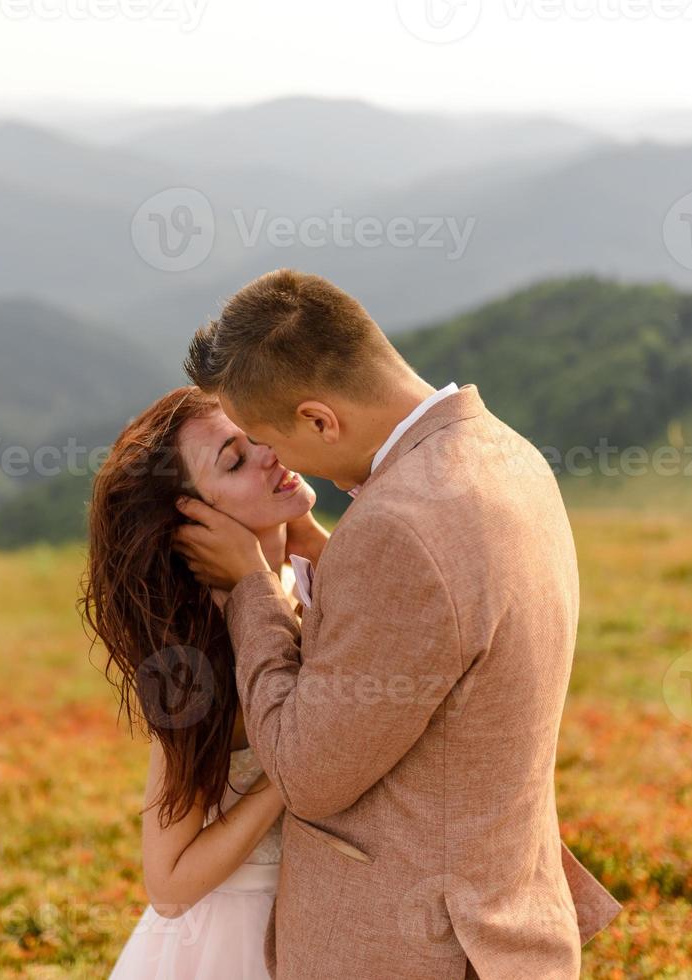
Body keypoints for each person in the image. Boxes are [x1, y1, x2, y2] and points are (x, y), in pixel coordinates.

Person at [173, 269, 621, 978]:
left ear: (320, 419)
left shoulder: (397, 531)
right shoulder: (505, 451)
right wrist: (336, 557)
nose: (280, 464)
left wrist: (251, 590)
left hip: (412, 949)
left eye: (274, 441)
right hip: (503, 919)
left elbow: (303, 774)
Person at [82, 386, 325, 978]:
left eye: (256, 435)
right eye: (234, 461)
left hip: (326, 916)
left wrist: (309, 534)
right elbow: (168, 884)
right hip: (234, 940)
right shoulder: (196, 661)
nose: (268, 452)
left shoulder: (299, 579)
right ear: (193, 520)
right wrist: (292, 770)